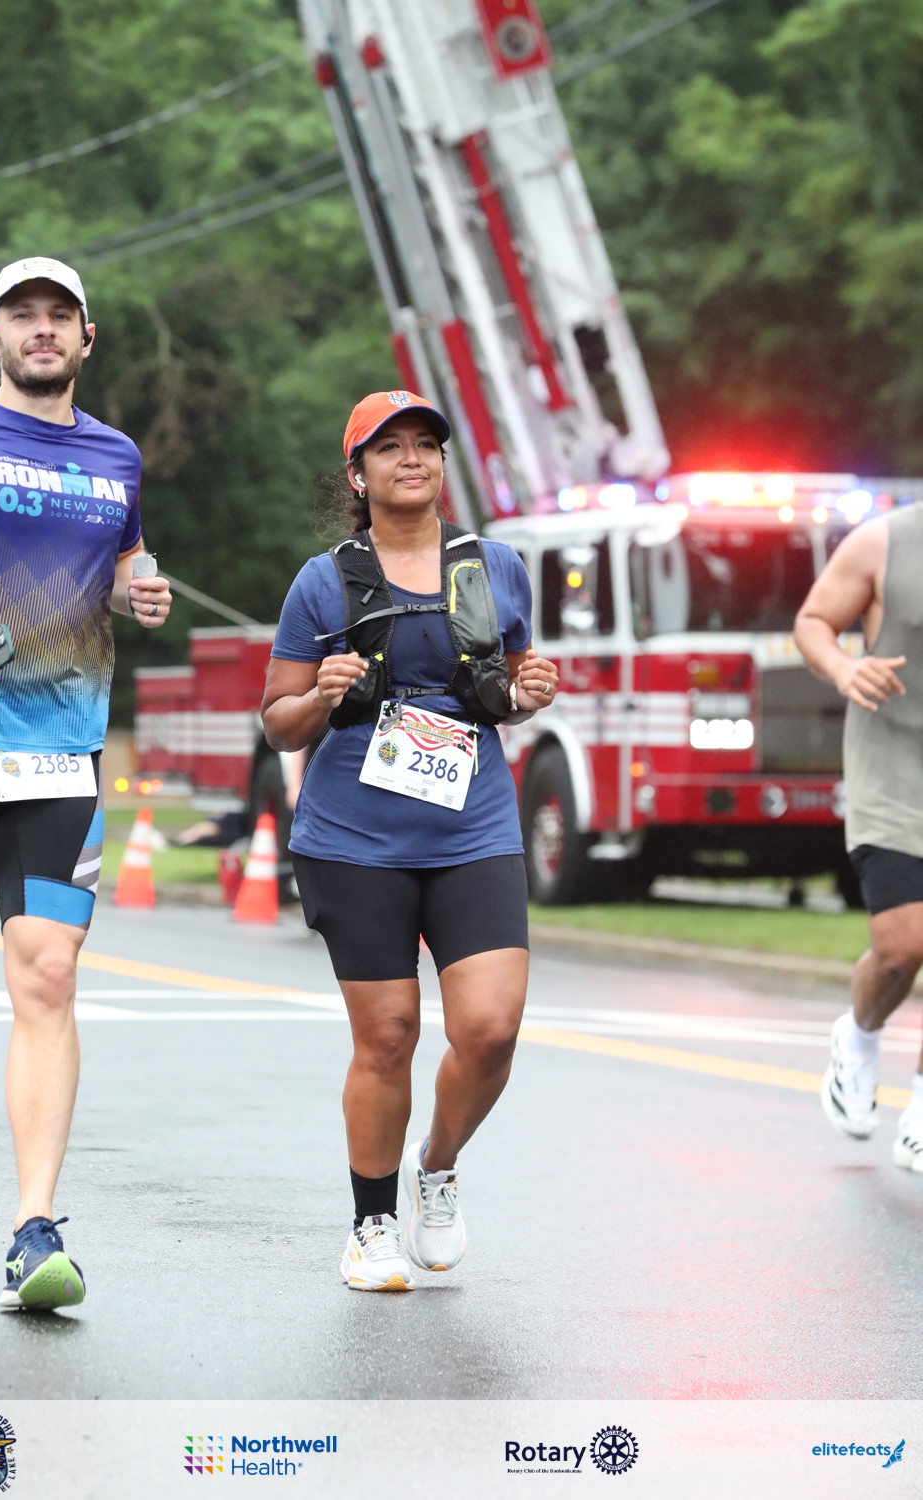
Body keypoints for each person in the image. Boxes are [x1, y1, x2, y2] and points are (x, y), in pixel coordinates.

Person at [261, 389, 558, 1290]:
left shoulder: (496, 568)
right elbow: (278, 721)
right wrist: (322, 695)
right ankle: (371, 1224)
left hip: (474, 824)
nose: (412, 458)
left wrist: (529, 691)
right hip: (355, 835)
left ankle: (437, 1166)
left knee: (490, 1028)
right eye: (390, 447)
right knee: (388, 1034)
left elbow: (508, 684)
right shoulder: (323, 582)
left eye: (426, 443)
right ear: (358, 474)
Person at [0, 256, 172, 1309]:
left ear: (86, 337)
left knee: (48, 975)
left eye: (58, 316)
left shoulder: (117, 457)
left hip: (59, 751)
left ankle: (34, 1230)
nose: (41, 329)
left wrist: (136, 586)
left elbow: (118, 558)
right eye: (20, 315)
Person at [795, 501, 923, 1169]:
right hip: (892, 767)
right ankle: (859, 1037)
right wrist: (845, 668)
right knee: (902, 948)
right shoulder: (886, 542)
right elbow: (813, 621)